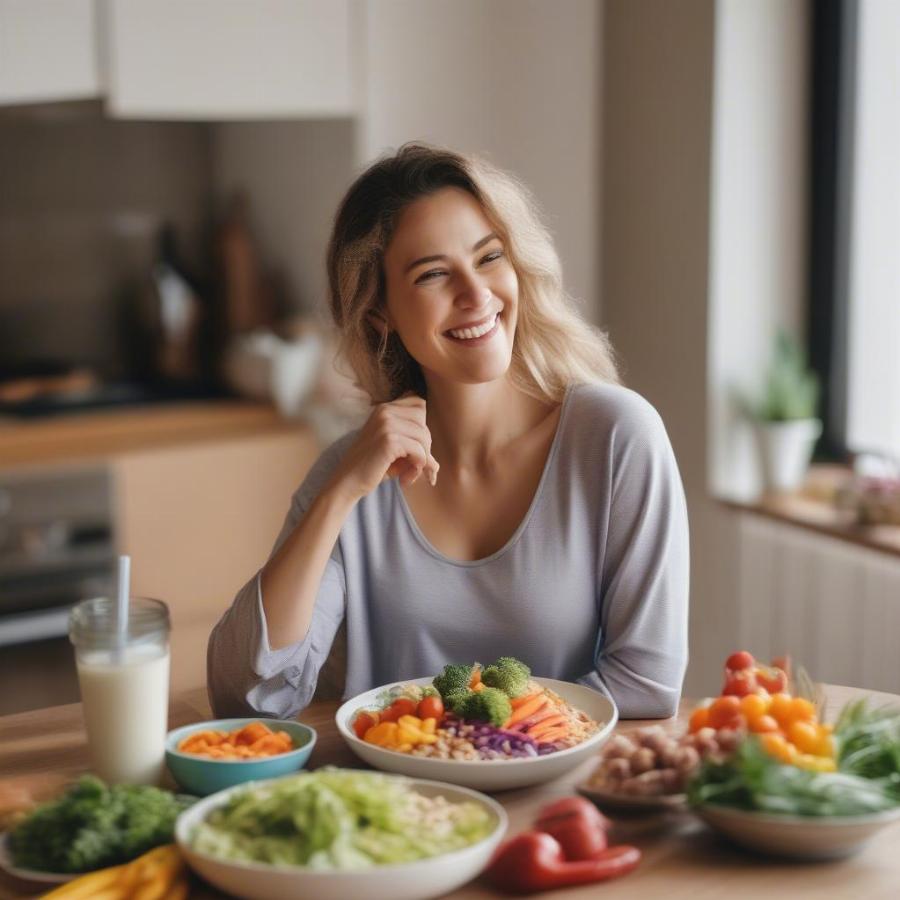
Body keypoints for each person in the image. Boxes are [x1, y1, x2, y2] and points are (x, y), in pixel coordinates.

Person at [208, 144, 689, 721]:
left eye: (489, 258)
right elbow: (250, 694)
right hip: (400, 807)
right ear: (379, 312)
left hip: (565, 803)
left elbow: (645, 682)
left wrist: (458, 742)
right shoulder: (356, 473)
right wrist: (338, 495)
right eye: (433, 274)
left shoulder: (616, 438)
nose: (476, 294)